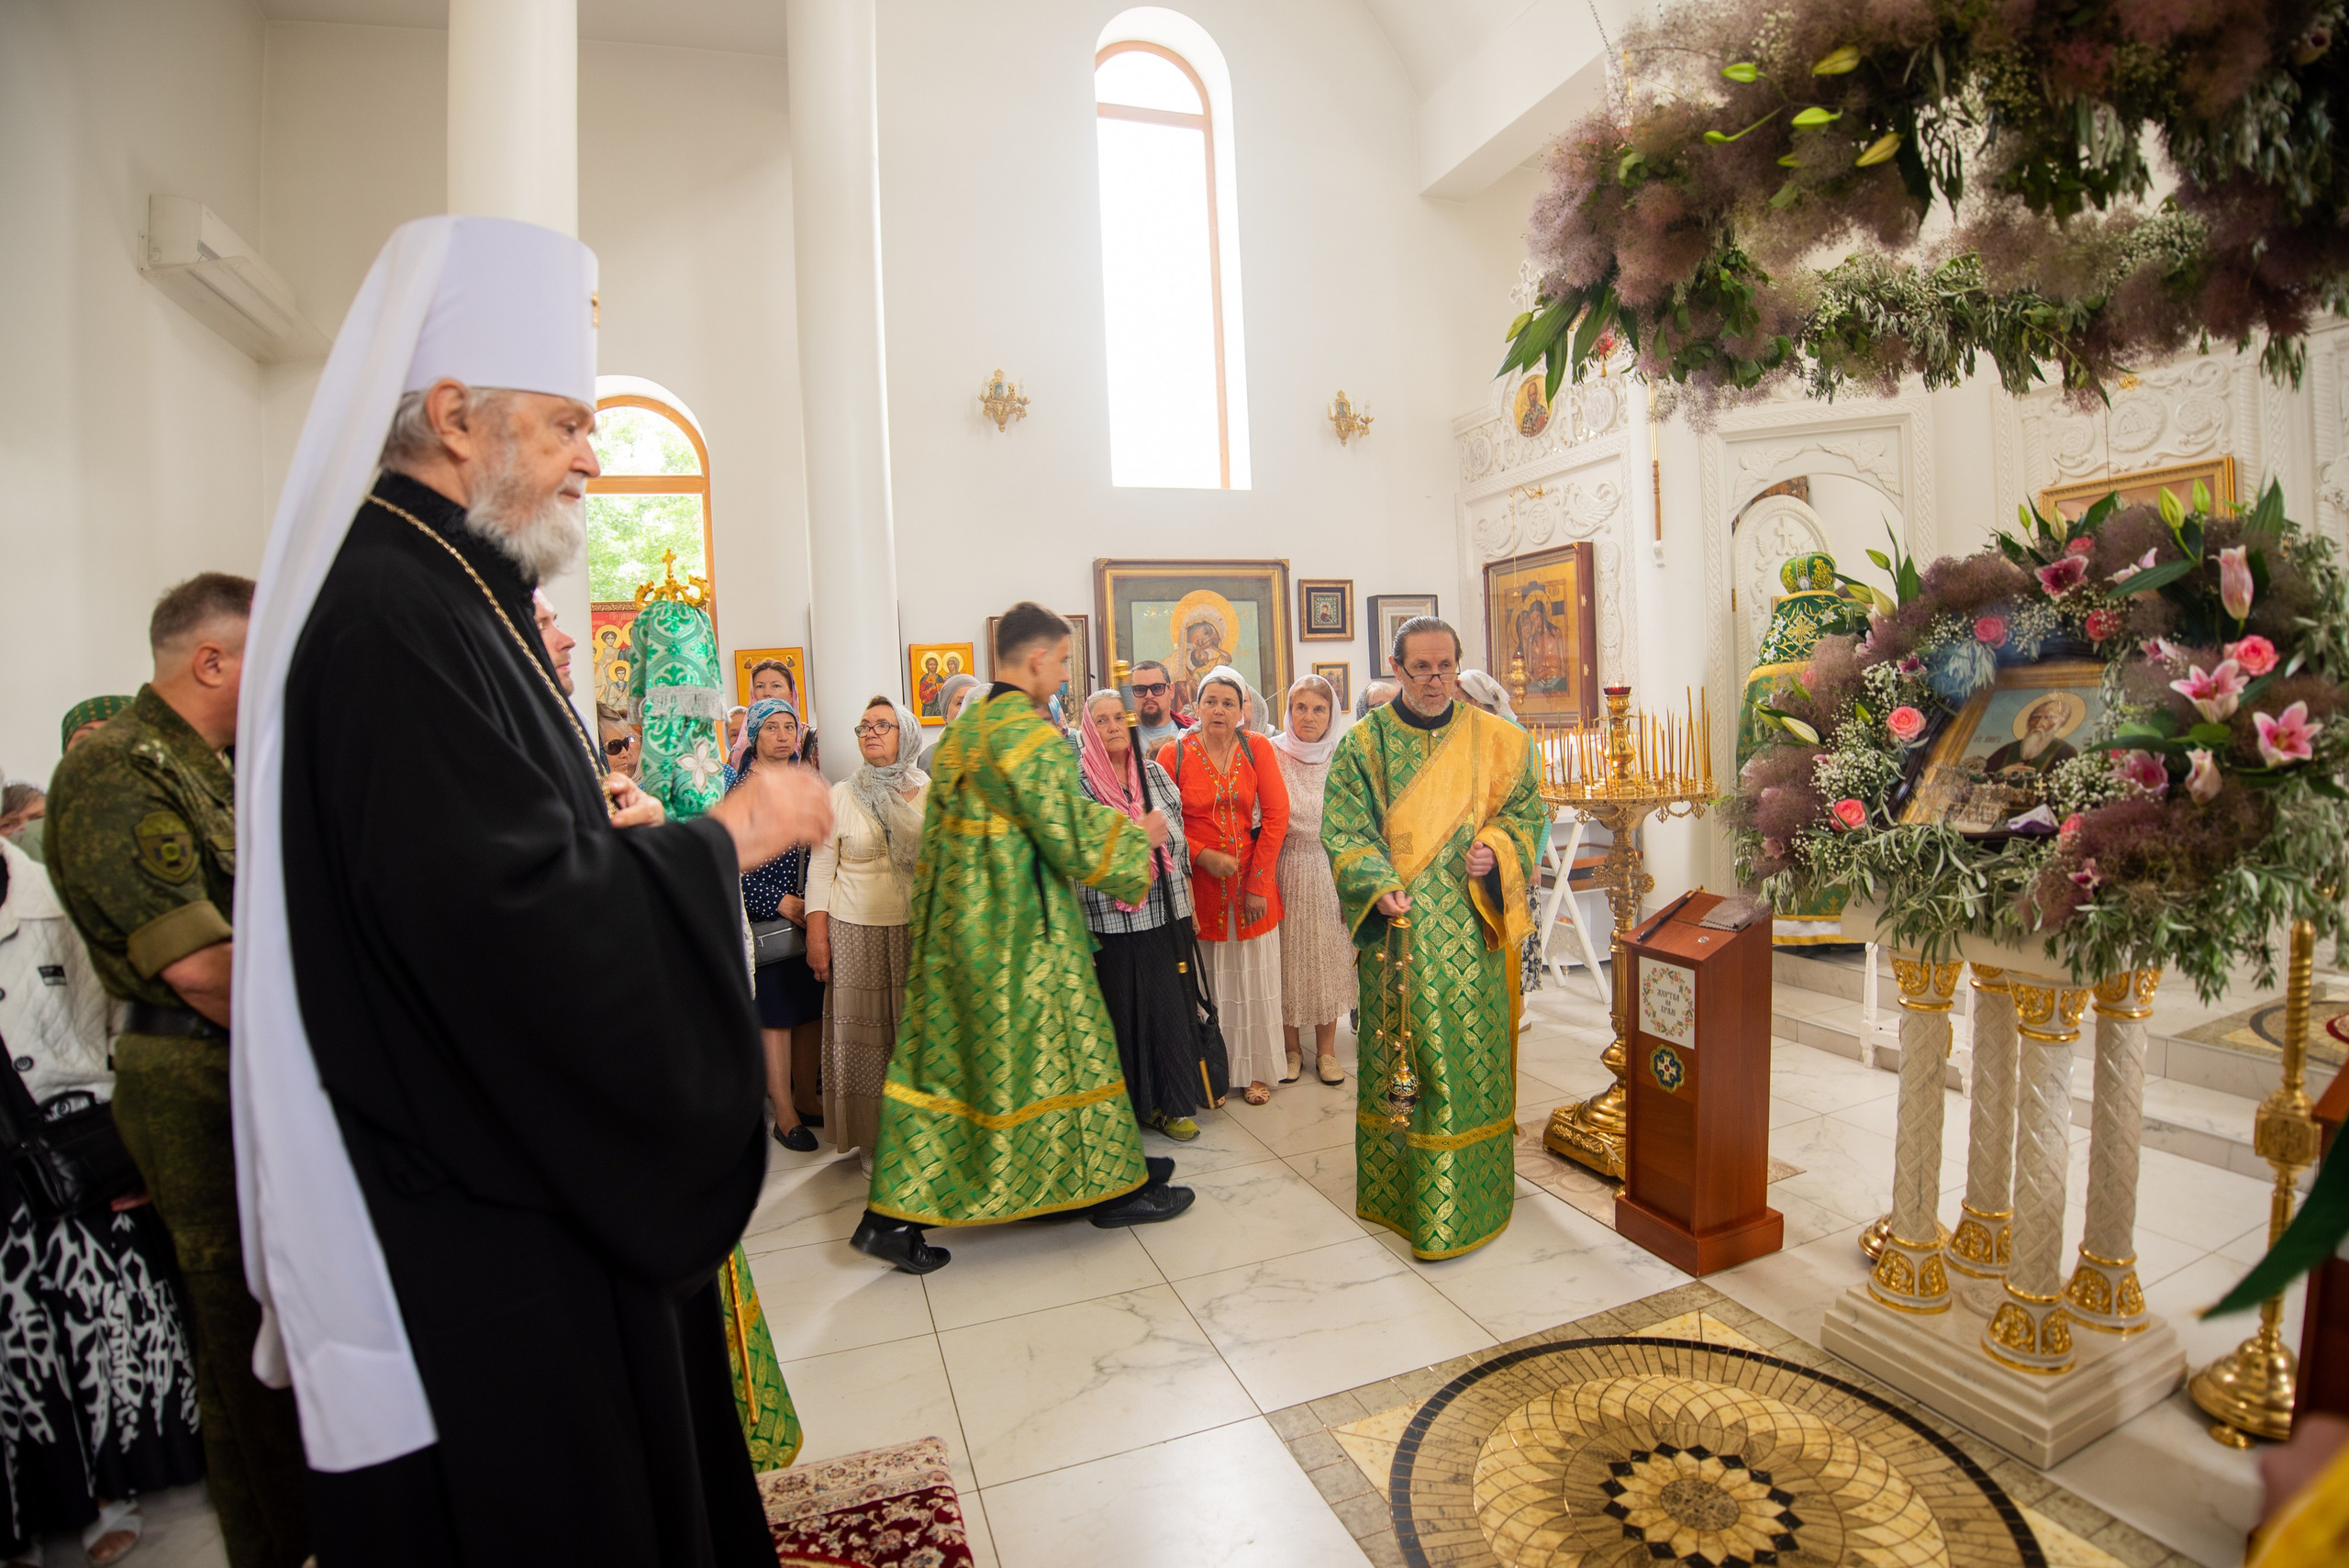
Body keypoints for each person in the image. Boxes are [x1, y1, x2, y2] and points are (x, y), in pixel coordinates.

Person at [239, 215, 833, 1564]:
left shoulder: (446, 584)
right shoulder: (396, 612)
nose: (592, 453)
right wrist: (720, 840)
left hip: (507, 1174)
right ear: (455, 417)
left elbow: (500, 864)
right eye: (567, 422)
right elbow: (502, 921)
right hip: (493, 1217)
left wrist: (635, 853)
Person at [44, 573, 315, 1568]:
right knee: (243, 1327)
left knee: (276, 1321)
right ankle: (287, 1542)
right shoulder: (120, 769)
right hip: (197, 1070)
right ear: (211, 660)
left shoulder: (206, 763)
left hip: (246, 1056)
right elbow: (202, 967)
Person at [856, 603, 1193, 1274]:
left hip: (957, 927)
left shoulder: (962, 731)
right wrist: (1139, 838)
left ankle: (1108, 1169)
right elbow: (1067, 833)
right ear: (1037, 659)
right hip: (1021, 929)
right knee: (1074, 1048)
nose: (1066, 674)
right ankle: (1105, 1189)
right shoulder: (1030, 738)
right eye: (1064, 661)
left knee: (952, 1066)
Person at [0, 834, 205, 1567]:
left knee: (102, 1324)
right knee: (18, 1340)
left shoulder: (54, 899)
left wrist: (136, 1132)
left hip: (75, 1134)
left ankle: (112, 1491)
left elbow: (126, 1021)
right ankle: (32, 1508)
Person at [1323, 617, 1546, 1261]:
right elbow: (1344, 826)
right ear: (1396, 668)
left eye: (1444, 665)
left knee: (1469, 1059)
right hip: (1399, 934)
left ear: (1458, 665)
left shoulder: (1501, 741)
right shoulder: (1363, 745)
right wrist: (1373, 880)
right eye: (1419, 667)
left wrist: (1499, 846)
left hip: (1474, 935)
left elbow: (1528, 809)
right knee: (1409, 1062)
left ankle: (1474, 1187)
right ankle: (1405, 1195)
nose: (1433, 678)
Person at [1076, 689, 1205, 1140]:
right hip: (1107, 923)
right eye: (1103, 720)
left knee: (1170, 1012)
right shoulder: (1078, 785)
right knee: (1123, 1016)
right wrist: (1137, 836)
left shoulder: (1153, 774)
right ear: (1088, 728)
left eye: (1118, 718)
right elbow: (1082, 854)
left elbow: (1179, 842)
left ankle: (1172, 1104)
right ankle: (1135, 1107)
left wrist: (1188, 907)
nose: (1113, 726)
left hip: (1164, 913)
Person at [1160, 666, 1291, 1105]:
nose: (1218, 709)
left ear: (1242, 711)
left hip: (1254, 884)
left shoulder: (1258, 749)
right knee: (1209, 982)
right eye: (1210, 701)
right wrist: (1201, 855)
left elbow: (1276, 817)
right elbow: (1167, 825)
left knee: (1254, 979)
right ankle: (1214, 1073)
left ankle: (1256, 1072)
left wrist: (1258, 885)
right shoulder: (1171, 755)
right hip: (1199, 890)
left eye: (1228, 702)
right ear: (1195, 708)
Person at [806, 696, 928, 1166]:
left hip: (914, 930)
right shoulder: (840, 794)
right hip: (853, 929)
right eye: (864, 726)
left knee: (911, 1036)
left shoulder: (930, 790)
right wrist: (817, 939)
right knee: (865, 1042)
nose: (872, 732)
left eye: (884, 725)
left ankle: (915, 1134)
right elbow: (820, 870)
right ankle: (874, 1141)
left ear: (907, 735)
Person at [727, 698, 826, 1152]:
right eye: (772, 728)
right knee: (776, 1016)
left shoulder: (809, 782)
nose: (784, 736)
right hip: (765, 918)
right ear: (755, 736)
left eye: (790, 727)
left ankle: (807, 1097)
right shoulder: (737, 787)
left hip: (810, 913)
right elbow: (729, 862)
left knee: (807, 1010)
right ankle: (783, 1112)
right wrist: (780, 902)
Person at [1270, 675, 1351, 1087]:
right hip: (1283, 863)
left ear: (1331, 714)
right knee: (1286, 956)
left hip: (1328, 867)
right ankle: (1290, 1050)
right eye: (1300, 707)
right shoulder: (1272, 752)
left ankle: (1326, 1052)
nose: (1308, 716)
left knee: (1328, 957)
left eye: (1319, 709)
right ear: (1289, 710)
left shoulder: (1342, 756)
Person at [1458, 670, 1544, 997]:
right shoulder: (1466, 735)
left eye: (1463, 700)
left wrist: (1533, 858)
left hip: (1511, 849)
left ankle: (1516, 1005)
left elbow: (1537, 804)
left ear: (1478, 703)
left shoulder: (1514, 736)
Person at [916, 672, 985, 772]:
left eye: (975, 701)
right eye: (960, 703)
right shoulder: (931, 757)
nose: (968, 707)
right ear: (946, 713)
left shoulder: (993, 752)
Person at [1130, 660, 1190, 754]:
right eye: (1140, 689)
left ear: (1171, 690)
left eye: (1157, 688)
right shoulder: (1120, 736)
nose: (1149, 695)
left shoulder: (1195, 731)